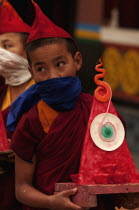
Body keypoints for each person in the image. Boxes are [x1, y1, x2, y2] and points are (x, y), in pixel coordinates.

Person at [7, 2, 139, 210]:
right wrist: (51, 202)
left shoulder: (99, 113)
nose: (53, 76)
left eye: (60, 64)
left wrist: (126, 195)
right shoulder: (31, 122)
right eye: (41, 69)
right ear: (32, 73)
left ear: (77, 61)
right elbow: (22, 189)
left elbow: (115, 173)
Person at [0, 1, 34, 209]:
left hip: (30, 186)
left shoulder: (43, 93)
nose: (1, 53)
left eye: (7, 45)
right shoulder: (2, 90)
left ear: (28, 48)